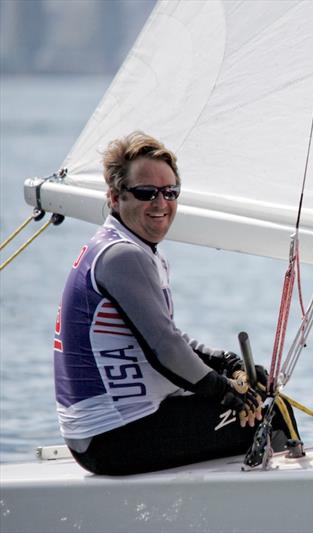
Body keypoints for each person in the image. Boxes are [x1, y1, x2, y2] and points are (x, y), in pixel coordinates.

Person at [53, 132, 296, 474]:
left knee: (252, 402)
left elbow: (167, 337)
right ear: (114, 197)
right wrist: (223, 390)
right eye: (146, 193)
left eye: (170, 193)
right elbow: (164, 349)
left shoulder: (128, 247)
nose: (160, 203)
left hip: (109, 431)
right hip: (113, 436)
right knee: (271, 410)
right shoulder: (122, 255)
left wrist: (225, 362)